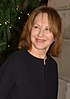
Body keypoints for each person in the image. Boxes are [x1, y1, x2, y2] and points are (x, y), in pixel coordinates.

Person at [0, 5, 63, 99]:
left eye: (47, 29)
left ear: (55, 36)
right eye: (36, 27)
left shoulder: (52, 65)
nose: (40, 34)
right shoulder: (16, 62)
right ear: (30, 30)